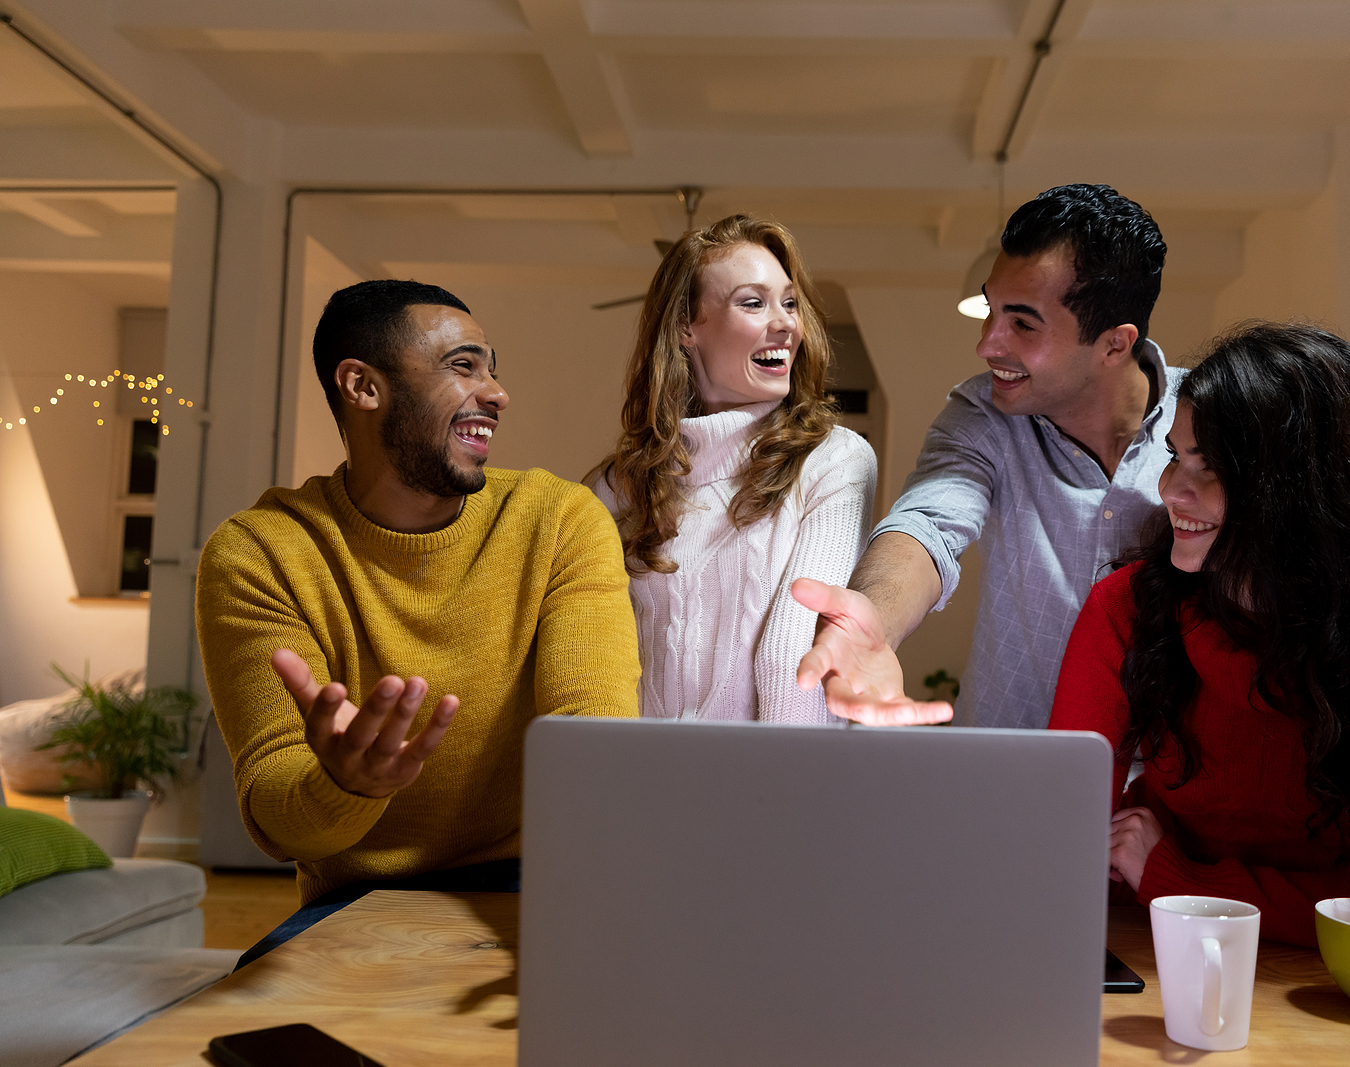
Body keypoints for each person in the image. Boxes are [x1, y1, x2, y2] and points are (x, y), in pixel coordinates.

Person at [1048, 322, 1350, 961]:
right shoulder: (1127, 606)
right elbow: (1059, 865)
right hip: (1168, 944)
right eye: (1174, 455)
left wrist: (1188, 884)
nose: (1170, 491)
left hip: (1326, 964)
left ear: (1309, 490)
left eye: (1211, 468)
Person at [196, 279, 639, 962]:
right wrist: (345, 784)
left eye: (493, 367)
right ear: (362, 386)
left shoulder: (558, 520)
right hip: (354, 898)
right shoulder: (259, 552)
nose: (496, 392)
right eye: (464, 366)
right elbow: (277, 814)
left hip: (536, 880)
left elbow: (594, 738)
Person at [794, 183, 1180, 728]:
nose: (987, 344)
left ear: (1114, 344)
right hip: (1014, 777)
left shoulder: (1210, 425)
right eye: (992, 310)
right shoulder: (984, 413)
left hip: (1165, 790)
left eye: (1022, 323)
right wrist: (874, 619)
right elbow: (927, 524)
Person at [590, 215, 875, 722]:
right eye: (753, 302)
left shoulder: (835, 459)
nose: (787, 323)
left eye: (789, 302)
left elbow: (792, 659)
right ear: (685, 328)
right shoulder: (615, 488)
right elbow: (598, 661)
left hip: (774, 785)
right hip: (646, 785)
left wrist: (772, 799)